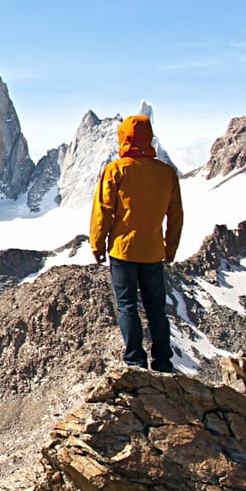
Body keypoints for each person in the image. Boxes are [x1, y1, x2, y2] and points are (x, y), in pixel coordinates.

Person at [90, 114, 183, 372]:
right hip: (153, 251)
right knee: (156, 308)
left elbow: (103, 211)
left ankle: (135, 360)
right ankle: (163, 361)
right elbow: (175, 214)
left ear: (124, 139)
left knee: (127, 306)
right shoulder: (167, 174)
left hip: (122, 251)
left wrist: (97, 245)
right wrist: (170, 247)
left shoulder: (116, 170)